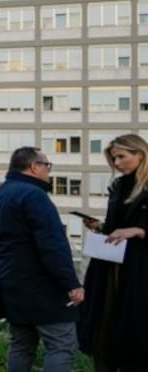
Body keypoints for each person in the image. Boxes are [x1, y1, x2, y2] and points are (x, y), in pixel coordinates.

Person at [0, 146, 84, 372]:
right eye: (47, 166)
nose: (48, 172)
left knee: (21, 344)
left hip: (10, 281)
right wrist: (70, 282)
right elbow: (52, 244)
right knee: (61, 345)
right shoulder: (34, 195)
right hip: (42, 285)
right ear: (34, 167)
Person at [78, 134, 148, 371]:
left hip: (139, 269)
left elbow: (136, 226)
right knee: (105, 327)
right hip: (111, 266)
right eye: (113, 158)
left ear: (140, 154)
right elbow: (118, 225)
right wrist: (100, 227)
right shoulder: (119, 186)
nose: (116, 163)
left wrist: (139, 231)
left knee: (134, 329)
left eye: (121, 156)